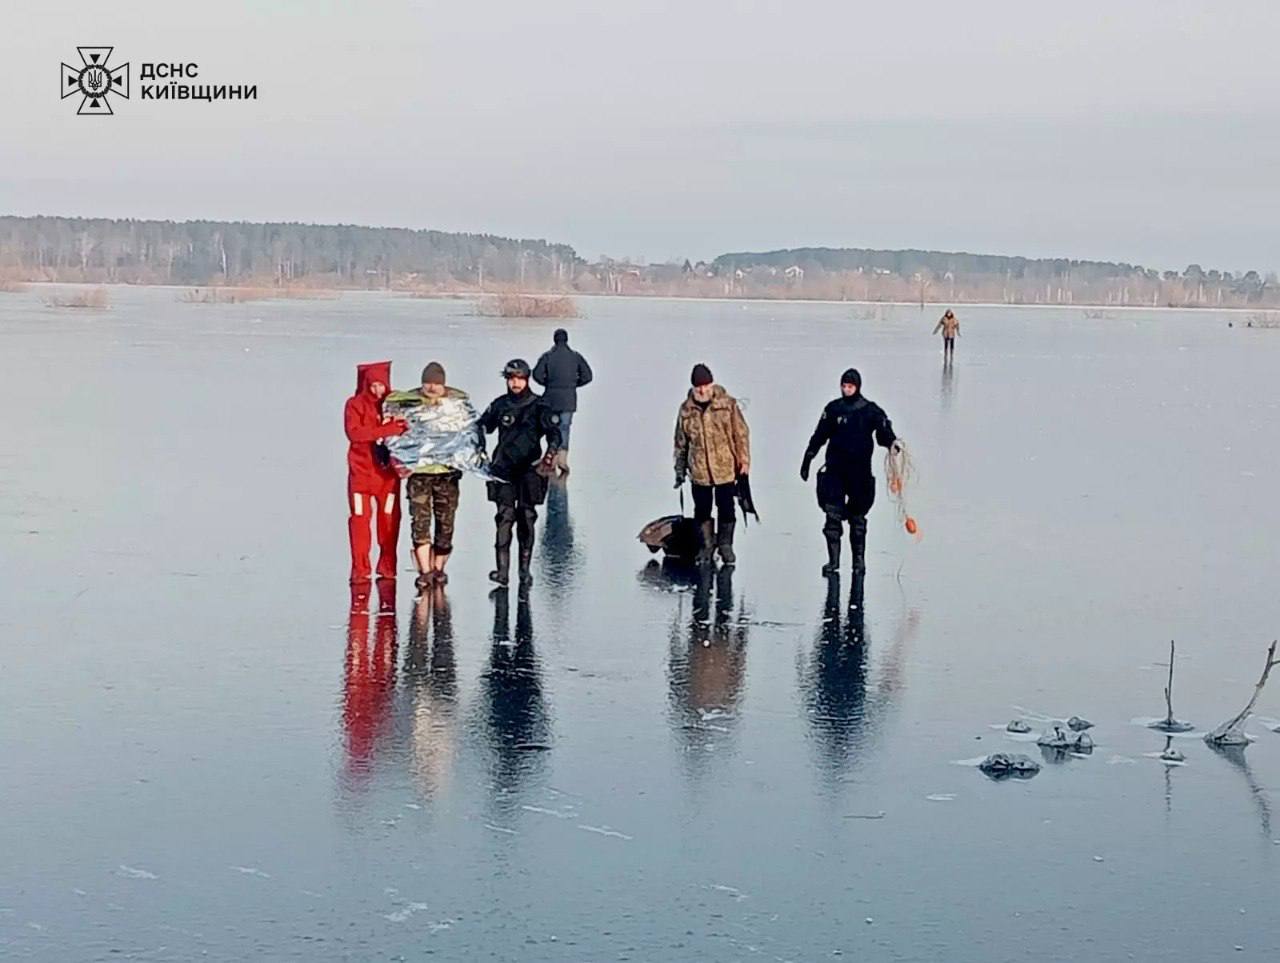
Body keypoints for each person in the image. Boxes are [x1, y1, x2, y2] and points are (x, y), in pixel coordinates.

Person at [800, 368, 899, 577]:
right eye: (844, 386)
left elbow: (884, 431)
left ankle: (858, 560)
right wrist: (809, 456)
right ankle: (833, 560)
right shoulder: (834, 409)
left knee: (858, 518)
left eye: (850, 386)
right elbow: (820, 434)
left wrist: (892, 442)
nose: (846, 390)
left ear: (857, 387)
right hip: (835, 470)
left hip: (859, 472)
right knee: (832, 515)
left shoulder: (870, 411)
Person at [385, 362, 468, 592]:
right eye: (428, 383)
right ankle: (425, 571)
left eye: (436, 383)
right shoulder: (408, 403)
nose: (431, 388)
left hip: (446, 474)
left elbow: (469, 433)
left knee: (446, 522)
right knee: (420, 522)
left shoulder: (457, 405)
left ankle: (439, 568)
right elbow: (394, 431)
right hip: (419, 474)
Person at [479, 359, 563, 586]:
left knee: (526, 518)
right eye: (511, 378)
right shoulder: (499, 405)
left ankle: (524, 570)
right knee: (504, 519)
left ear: (527, 379)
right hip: (503, 469)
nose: (515, 383)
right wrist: (479, 455)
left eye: (520, 378)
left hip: (530, 470)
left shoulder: (539, 405)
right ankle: (502, 571)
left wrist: (551, 453)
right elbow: (482, 427)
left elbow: (555, 434)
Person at [673, 363, 750, 567]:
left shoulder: (727, 405)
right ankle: (706, 546)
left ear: (712, 384)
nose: (702, 390)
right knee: (702, 509)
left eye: (705, 386)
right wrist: (679, 471)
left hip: (724, 467)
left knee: (726, 507)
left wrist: (744, 461)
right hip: (699, 470)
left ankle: (726, 545)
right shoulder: (686, 410)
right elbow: (680, 443)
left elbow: (740, 434)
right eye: (698, 387)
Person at [344, 361, 407, 583]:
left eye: (381, 385)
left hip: (387, 476)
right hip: (360, 475)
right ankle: (360, 569)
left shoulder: (395, 406)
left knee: (389, 520)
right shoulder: (354, 405)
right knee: (360, 520)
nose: (378, 390)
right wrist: (386, 430)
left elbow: (408, 430)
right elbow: (355, 433)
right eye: (374, 385)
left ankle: (387, 566)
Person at [532, 328, 593, 475]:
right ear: (566, 340)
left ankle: (550, 458)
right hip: (568, 399)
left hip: (550, 398)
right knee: (564, 428)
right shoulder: (575, 357)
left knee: (551, 428)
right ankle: (562, 459)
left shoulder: (548, 356)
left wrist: (547, 383)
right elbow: (588, 376)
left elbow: (536, 375)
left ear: (555, 340)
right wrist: (573, 384)